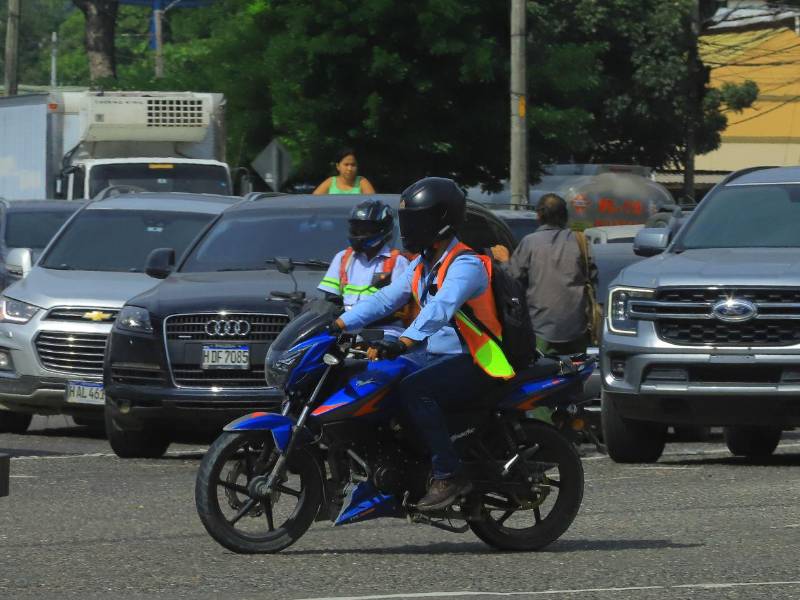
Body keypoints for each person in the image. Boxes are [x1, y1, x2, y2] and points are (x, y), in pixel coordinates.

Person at [332, 177, 516, 512]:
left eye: (415, 221)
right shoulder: (423, 264)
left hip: (478, 359)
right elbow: (387, 299)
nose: (408, 229)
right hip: (436, 354)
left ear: (440, 221)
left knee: (417, 390)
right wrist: (338, 324)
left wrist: (402, 341)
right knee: (377, 377)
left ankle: (449, 474)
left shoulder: (466, 264)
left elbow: (439, 309)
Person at [495, 193, 590, 355]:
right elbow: (593, 278)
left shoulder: (530, 242)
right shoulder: (580, 241)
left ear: (539, 215)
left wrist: (504, 261)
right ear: (565, 216)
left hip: (540, 329)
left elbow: (511, 280)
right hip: (576, 329)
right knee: (578, 372)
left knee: (541, 373)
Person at [318, 199, 409, 310]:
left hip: (384, 324)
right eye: (356, 228)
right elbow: (331, 298)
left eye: (366, 229)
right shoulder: (342, 258)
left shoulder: (398, 262)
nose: (360, 233)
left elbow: (398, 302)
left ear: (382, 230)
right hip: (345, 323)